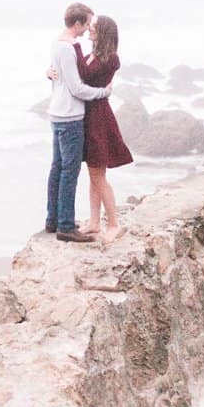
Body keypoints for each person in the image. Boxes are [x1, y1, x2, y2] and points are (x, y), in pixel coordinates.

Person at [45, 2, 112, 243]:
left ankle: (52, 220)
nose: (87, 29)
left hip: (56, 113)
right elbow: (77, 88)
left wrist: (48, 73)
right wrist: (103, 92)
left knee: (57, 168)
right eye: (86, 24)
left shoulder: (57, 42)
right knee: (69, 171)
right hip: (70, 116)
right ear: (77, 23)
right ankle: (65, 226)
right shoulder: (70, 47)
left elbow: (60, 76)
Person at [73, 16, 133, 242]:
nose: (89, 29)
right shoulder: (96, 55)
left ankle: (114, 224)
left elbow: (85, 75)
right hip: (90, 115)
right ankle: (95, 222)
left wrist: (74, 46)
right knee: (94, 173)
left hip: (98, 117)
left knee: (98, 175)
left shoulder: (109, 59)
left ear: (103, 33)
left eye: (93, 28)